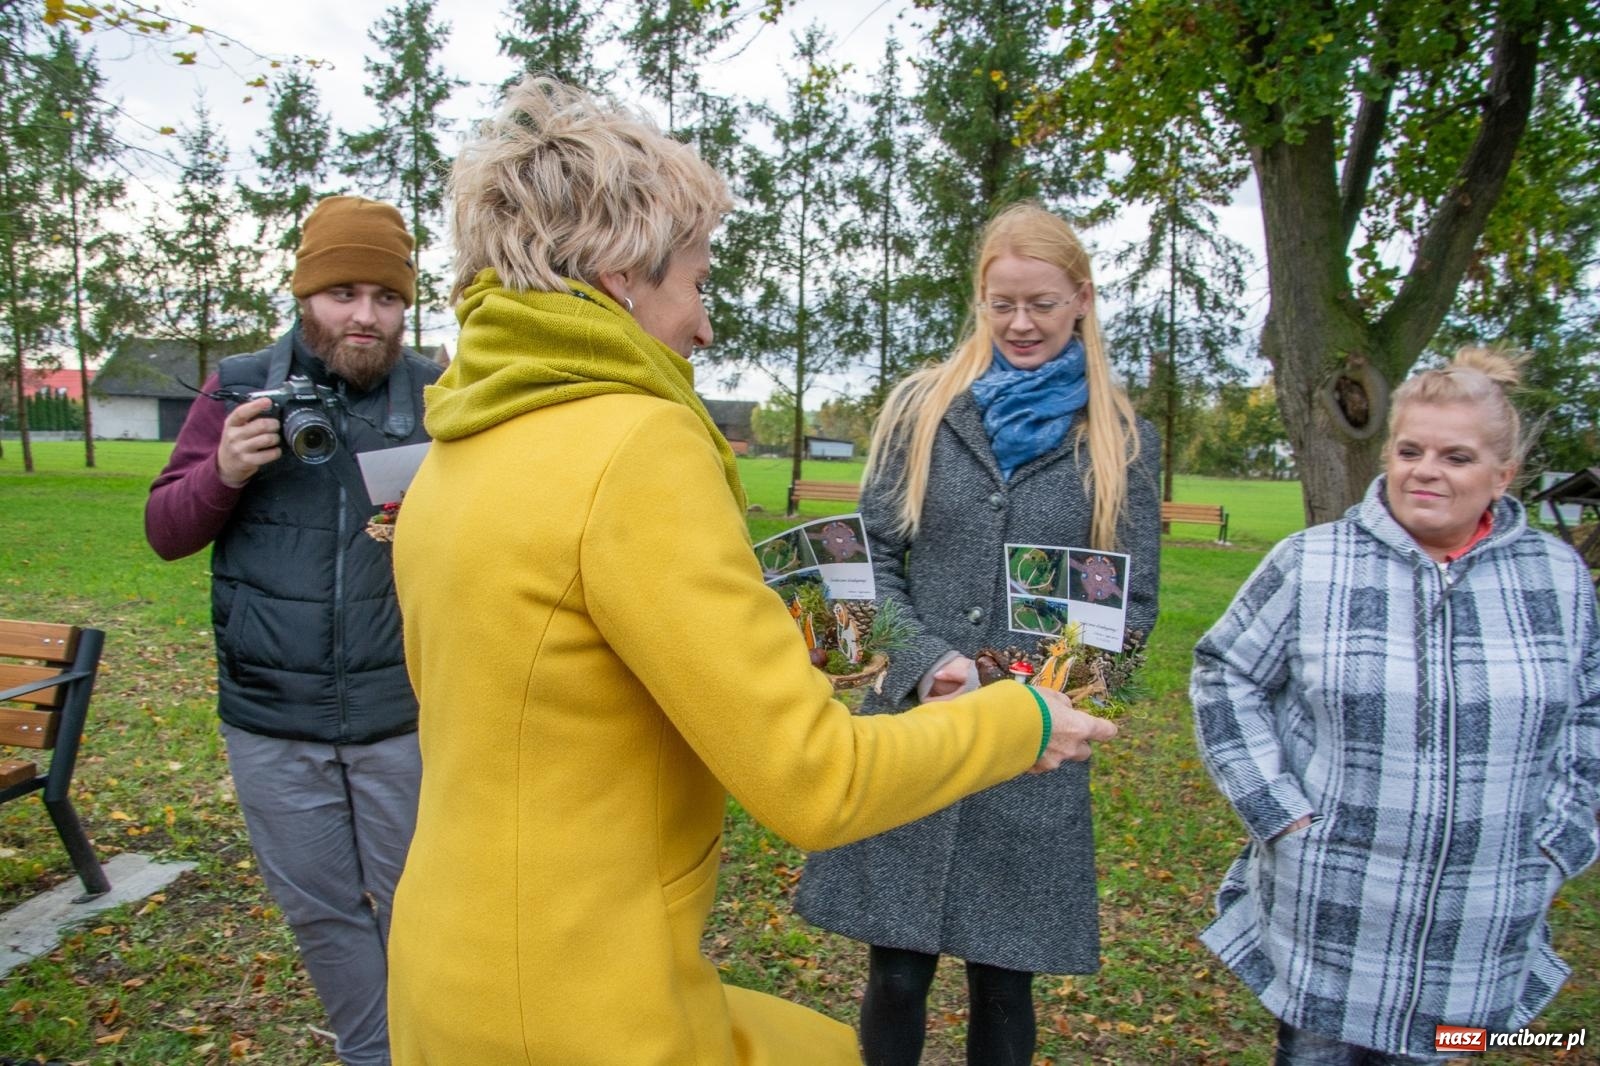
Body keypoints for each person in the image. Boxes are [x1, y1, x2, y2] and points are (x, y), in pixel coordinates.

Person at [383, 77, 1118, 1066]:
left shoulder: (459, 443)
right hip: (578, 1002)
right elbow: (812, 781)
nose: (705, 324)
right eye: (695, 281)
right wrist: (1019, 718)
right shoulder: (635, 444)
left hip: (450, 967)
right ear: (616, 277)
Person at [795, 202, 1161, 1065]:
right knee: (896, 972)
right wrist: (926, 666)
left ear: (1081, 298)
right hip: (917, 731)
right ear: (980, 300)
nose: (1020, 324)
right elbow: (869, 562)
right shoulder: (925, 410)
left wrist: (1045, 705)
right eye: (1002, 304)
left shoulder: (1115, 439)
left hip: (1031, 745)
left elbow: (1127, 608)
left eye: (1040, 303)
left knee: (1004, 982)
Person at [1191, 348, 1599, 1064]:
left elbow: (1590, 714)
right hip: (1333, 912)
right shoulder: (1312, 561)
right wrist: (1279, 813)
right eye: (1410, 449)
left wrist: (1557, 842)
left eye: (1457, 455)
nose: (1426, 470)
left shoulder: (1557, 577)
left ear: (1503, 476)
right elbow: (1225, 675)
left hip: (1479, 926)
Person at [146, 195, 441, 1066]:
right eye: (343, 293)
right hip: (273, 721)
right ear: (303, 295)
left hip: (403, 712)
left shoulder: (437, 396)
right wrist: (225, 468)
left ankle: (434, 1046)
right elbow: (166, 530)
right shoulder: (238, 386)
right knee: (320, 909)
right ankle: (370, 1054)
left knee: (418, 902)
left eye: (385, 298)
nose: (364, 316)